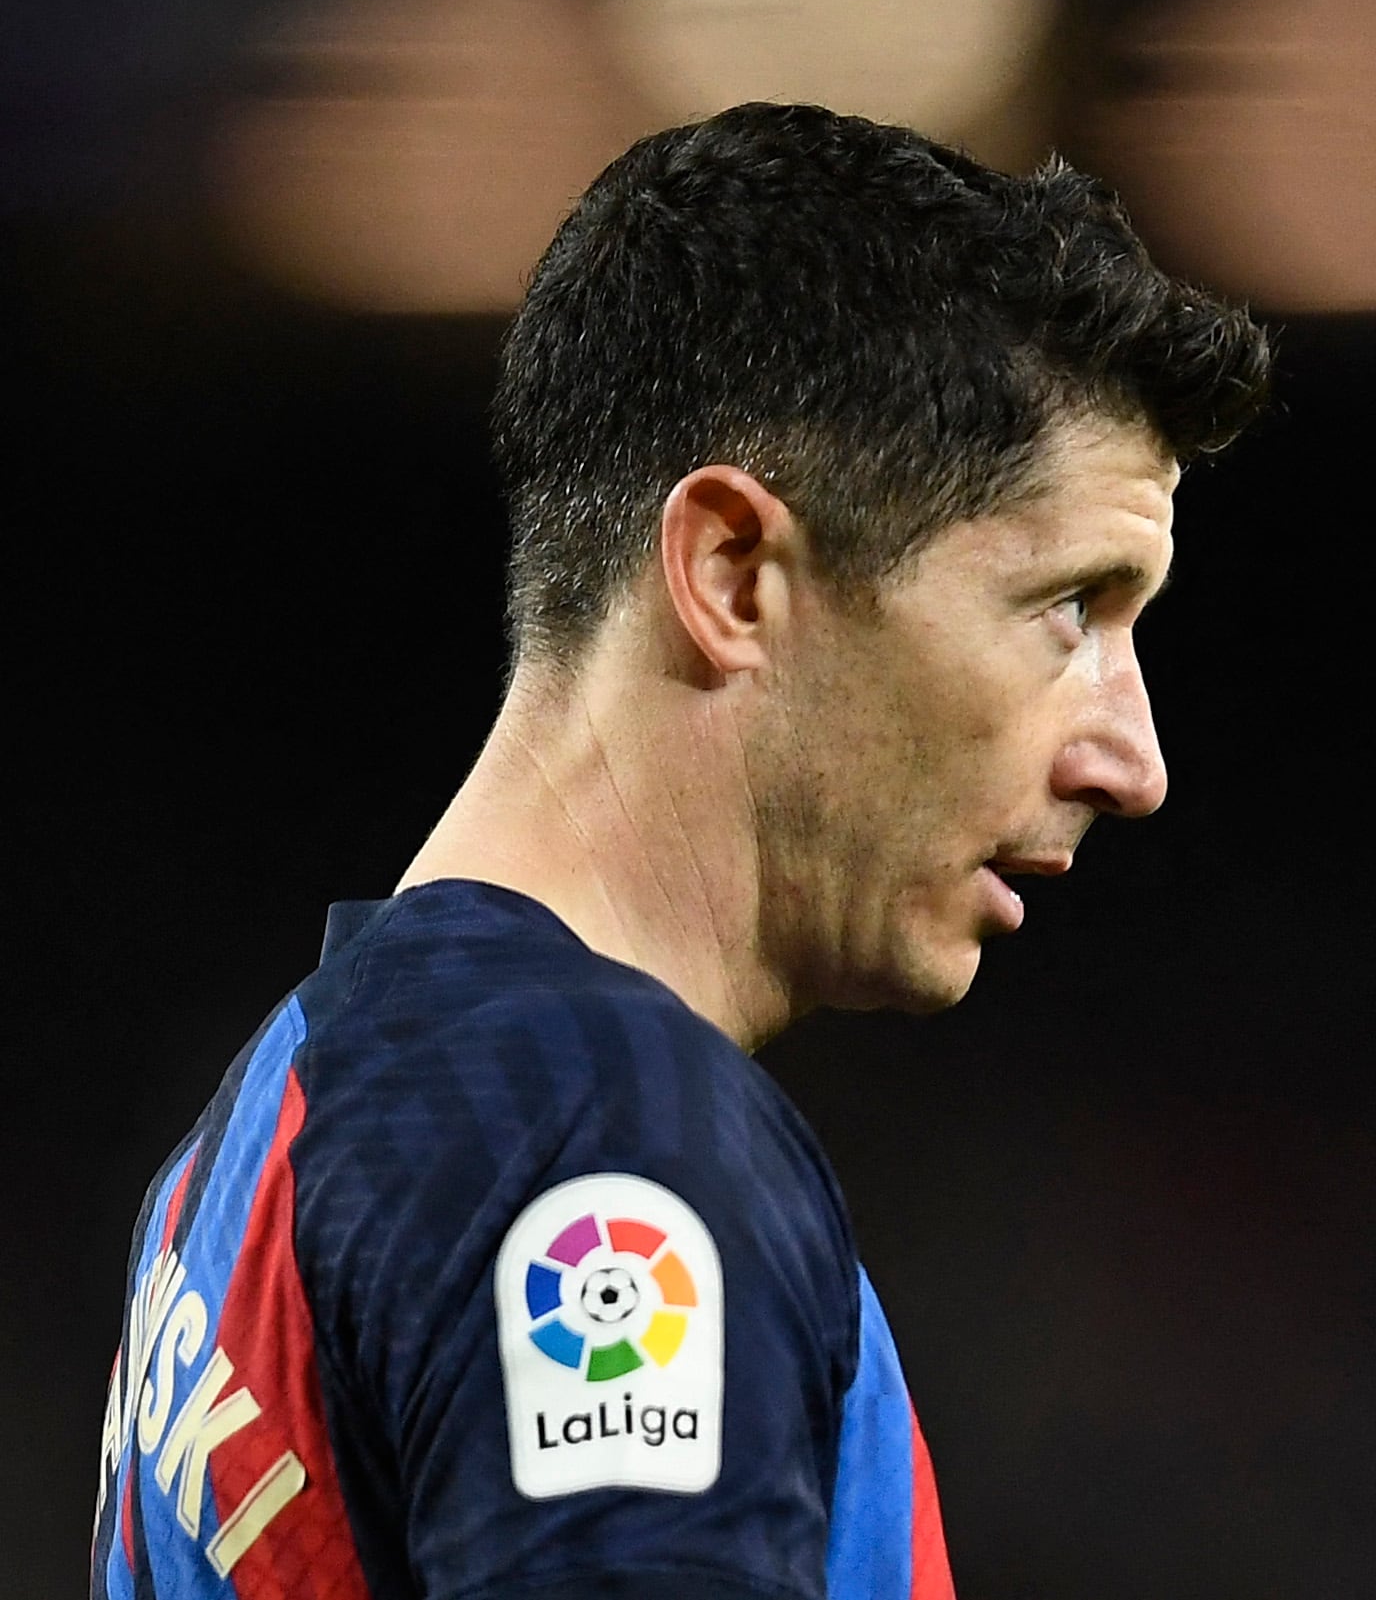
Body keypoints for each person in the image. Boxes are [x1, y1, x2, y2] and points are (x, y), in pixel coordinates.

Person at [91, 105, 1271, 1599]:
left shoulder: (269, 1121)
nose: (1132, 759)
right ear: (731, 573)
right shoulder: (602, 1133)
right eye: (1067, 608)